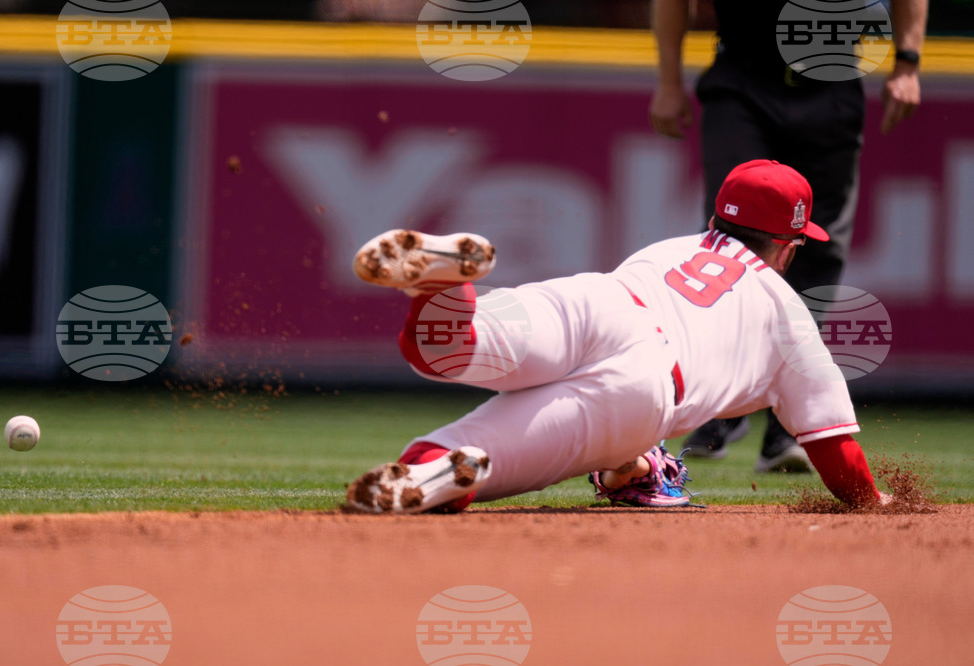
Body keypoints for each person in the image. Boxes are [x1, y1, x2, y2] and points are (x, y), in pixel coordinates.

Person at [345, 160, 888, 514]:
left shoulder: (670, 246)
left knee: (443, 347)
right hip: (645, 384)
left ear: (718, 216)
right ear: (789, 245)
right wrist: (876, 501)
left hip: (593, 302)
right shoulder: (789, 314)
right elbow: (834, 450)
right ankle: (438, 471)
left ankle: (446, 285)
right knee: (473, 458)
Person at [648, 0, 928, 472]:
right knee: (730, 238)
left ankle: (787, 431)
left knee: (815, 248)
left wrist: (908, 62)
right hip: (742, 75)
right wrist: (669, 82)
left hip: (832, 79)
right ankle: (715, 405)